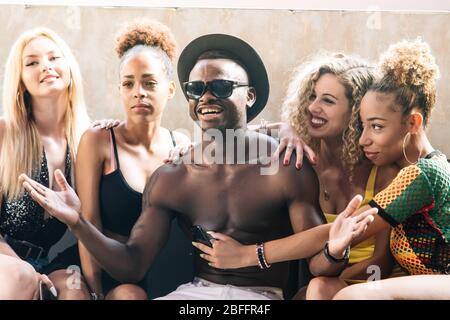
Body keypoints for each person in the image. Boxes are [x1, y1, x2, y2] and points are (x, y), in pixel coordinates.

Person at [20, 33, 376, 300]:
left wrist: (335, 248)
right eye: (196, 88)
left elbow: (318, 264)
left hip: (260, 300)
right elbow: (132, 265)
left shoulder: (284, 163)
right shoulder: (172, 175)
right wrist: (77, 222)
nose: (206, 97)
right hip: (194, 298)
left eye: (221, 86)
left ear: (249, 96)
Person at [189, 52, 398, 299]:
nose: (312, 107)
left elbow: (380, 263)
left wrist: (331, 287)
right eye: (312, 97)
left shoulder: (384, 172)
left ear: (357, 111)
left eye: (328, 101)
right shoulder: (297, 157)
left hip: (365, 285)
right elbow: (234, 130)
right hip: (320, 276)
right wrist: (193, 146)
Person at [76, 19, 192, 300]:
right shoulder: (99, 140)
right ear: (120, 90)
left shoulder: (183, 146)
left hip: (157, 270)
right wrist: (95, 292)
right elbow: (86, 222)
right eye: (128, 84)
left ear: (171, 89)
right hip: (100, 270)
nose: (138, 92)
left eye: (150, 83)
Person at [332, 39, 450, 299]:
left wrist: (254, 253)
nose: (363, 140)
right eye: (363, 126)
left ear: (412, 122)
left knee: (350, 297)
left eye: (376, 126)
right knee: (324, 288)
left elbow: (348, 228)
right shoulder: (407, 171)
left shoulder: (425, 173)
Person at [0, 27, 91, 299]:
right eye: (32, 62)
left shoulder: (88, 140)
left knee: (74, 287)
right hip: (6, 258)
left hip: (47, 260)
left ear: (69, 67)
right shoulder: (5, 134)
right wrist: (25, 268)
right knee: (22, 277)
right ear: (20, 80)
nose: (46, 67)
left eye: (54, 58)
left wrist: (179, 149)